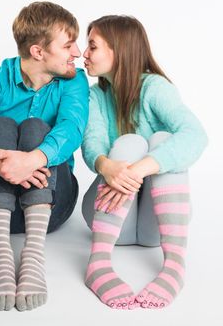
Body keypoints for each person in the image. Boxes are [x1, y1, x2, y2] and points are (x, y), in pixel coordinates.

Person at [0, 2, 89, 312]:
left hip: (52, 207)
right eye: (68, 45)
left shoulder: (73, 81)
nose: (78, 53)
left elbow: (72, 128)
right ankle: (0, 255)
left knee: (36, 127)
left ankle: (33, 255)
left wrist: (32, 160)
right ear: (38, 52)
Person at [80, 15, 208, 310]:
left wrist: (140, 168)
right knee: (129, 143)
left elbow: (196, 135)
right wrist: (104, 165)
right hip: (110, 220)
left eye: (93, 46)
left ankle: (174, 265)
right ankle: (98, 262)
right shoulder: (94, 96)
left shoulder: (155, 87)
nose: (84, 54)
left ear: (118, 49)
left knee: (162, 140)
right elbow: (92, 142)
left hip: (157, 225)